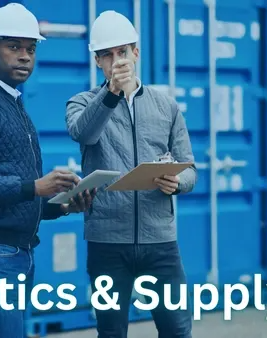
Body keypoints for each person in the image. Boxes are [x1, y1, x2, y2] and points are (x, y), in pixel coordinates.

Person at [0, 4, 96, 338]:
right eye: (14, 47)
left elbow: (13, 192)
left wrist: (61, 206)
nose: (25, 56)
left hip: (14, 250)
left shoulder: (10, 103)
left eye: (31, 49)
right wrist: (36, 187)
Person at [65, 10, 197, 338]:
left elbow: (190, 168)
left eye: (122, 52)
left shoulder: (166, 106)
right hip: (107, 243)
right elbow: (84, 134)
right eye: (107, 55)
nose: (116, 61)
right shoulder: (81, 103)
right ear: (97, 62)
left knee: (177, 332)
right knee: (111, 333)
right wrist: (110, 94)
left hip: (161, 243)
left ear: (136, 53)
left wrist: (177, 182)